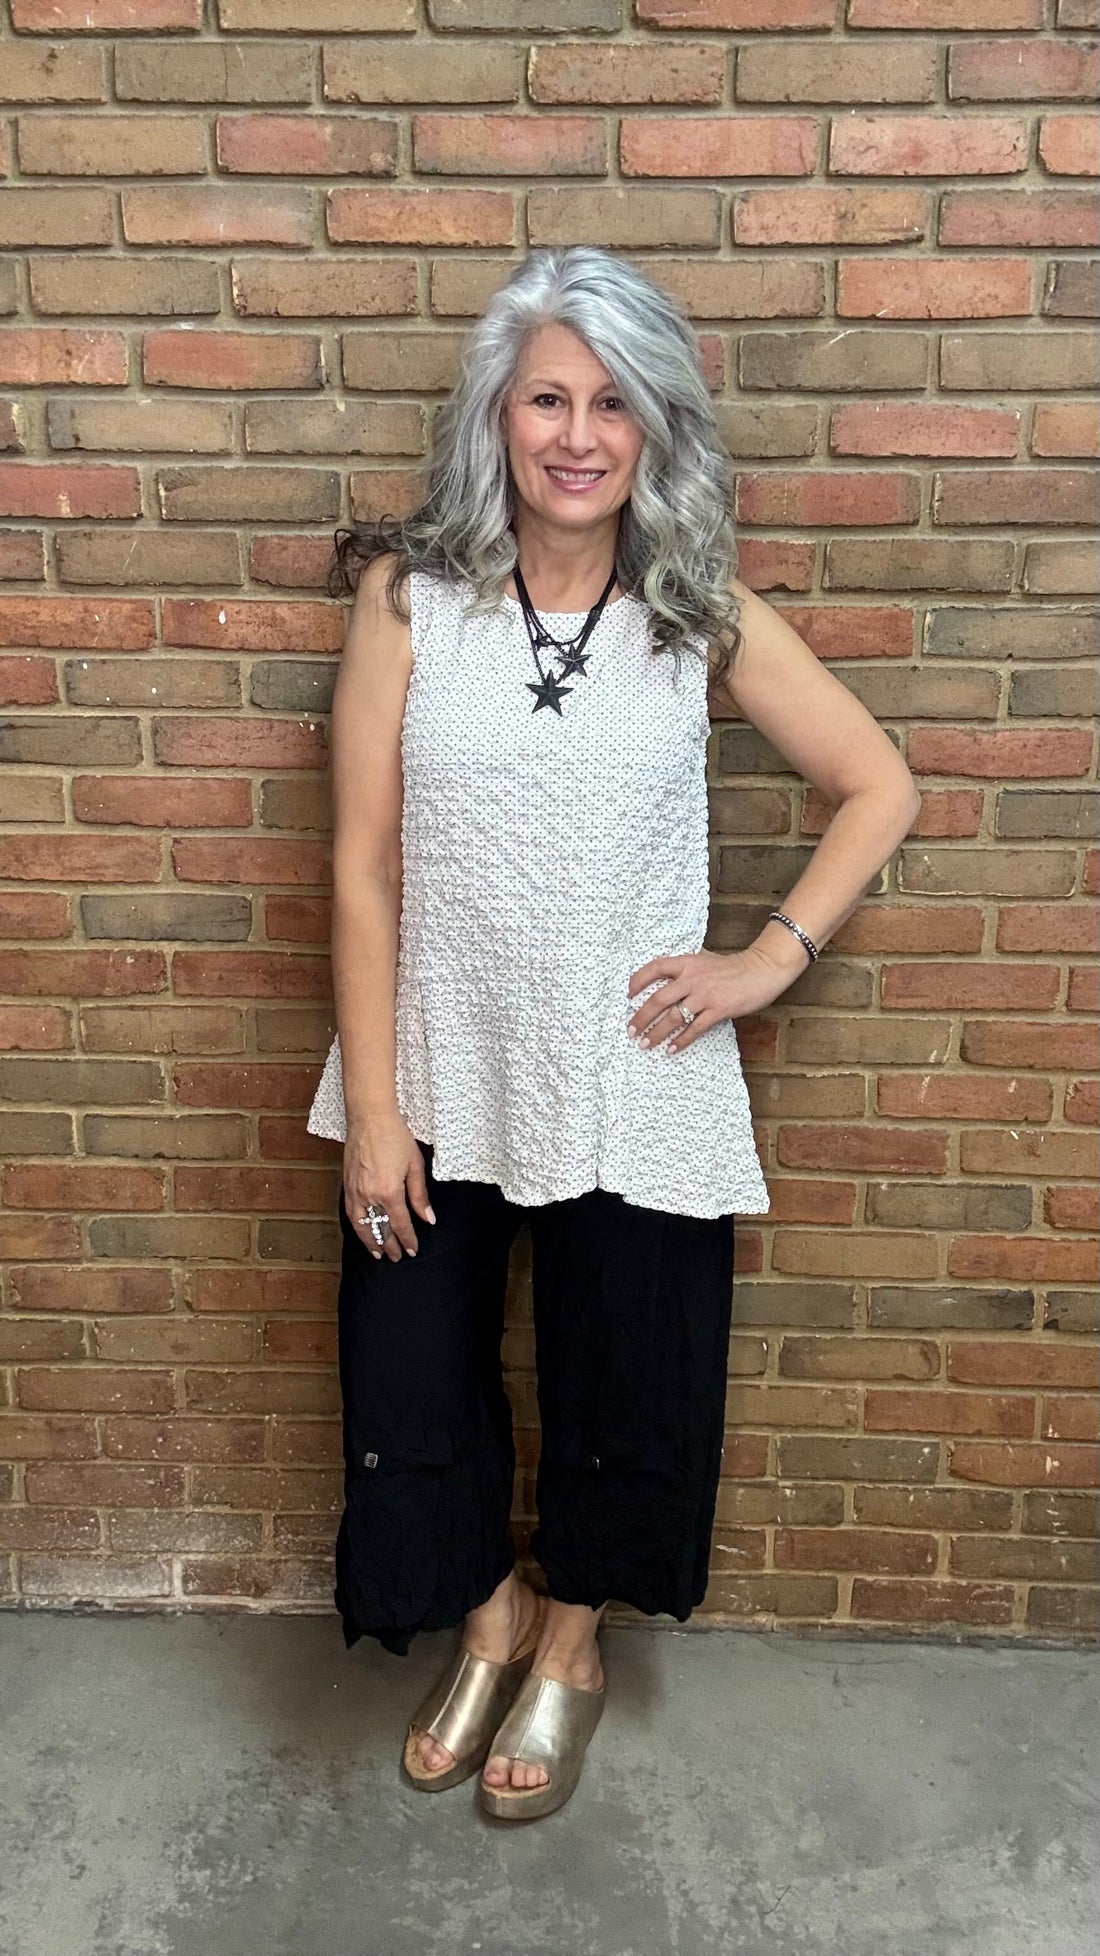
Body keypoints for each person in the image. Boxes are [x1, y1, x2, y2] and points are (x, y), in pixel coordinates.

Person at [305, 246, 921, 1822]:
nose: (577, 435)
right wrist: (375, 1113)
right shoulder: (410, 602)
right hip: (437, 1060)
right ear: (496, 418)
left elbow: (879, 784)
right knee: (412, 1377)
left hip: (636, 1075)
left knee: (625, 1380)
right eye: (546, 399)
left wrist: (762, 963)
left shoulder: (695, 613)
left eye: (612, 404)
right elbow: (362, 867)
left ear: (656, 429)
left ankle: (570, 1639)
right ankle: (488, 1616)